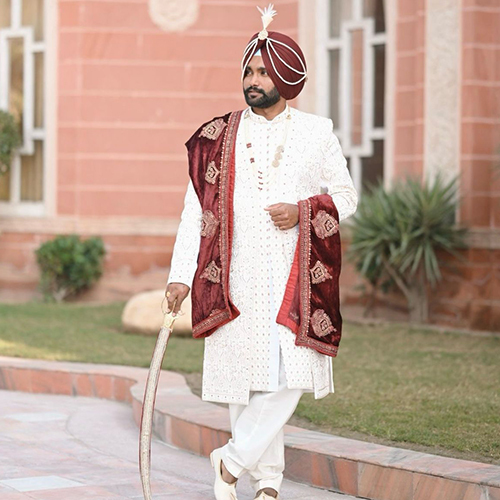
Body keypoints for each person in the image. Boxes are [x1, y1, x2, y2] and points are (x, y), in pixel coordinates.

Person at [165, 4, 357, 500]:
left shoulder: (316, 132)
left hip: (295, 278)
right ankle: (268, 483)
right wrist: (180, 275)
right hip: (232, 273)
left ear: (286, 78)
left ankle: (230, 462)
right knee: (245, 379)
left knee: (289, 376)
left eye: (262, 71)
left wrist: (302, 210)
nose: (251, 79)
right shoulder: (216, 136)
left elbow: (348, 196)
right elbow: (194, 212)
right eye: (248, 69)